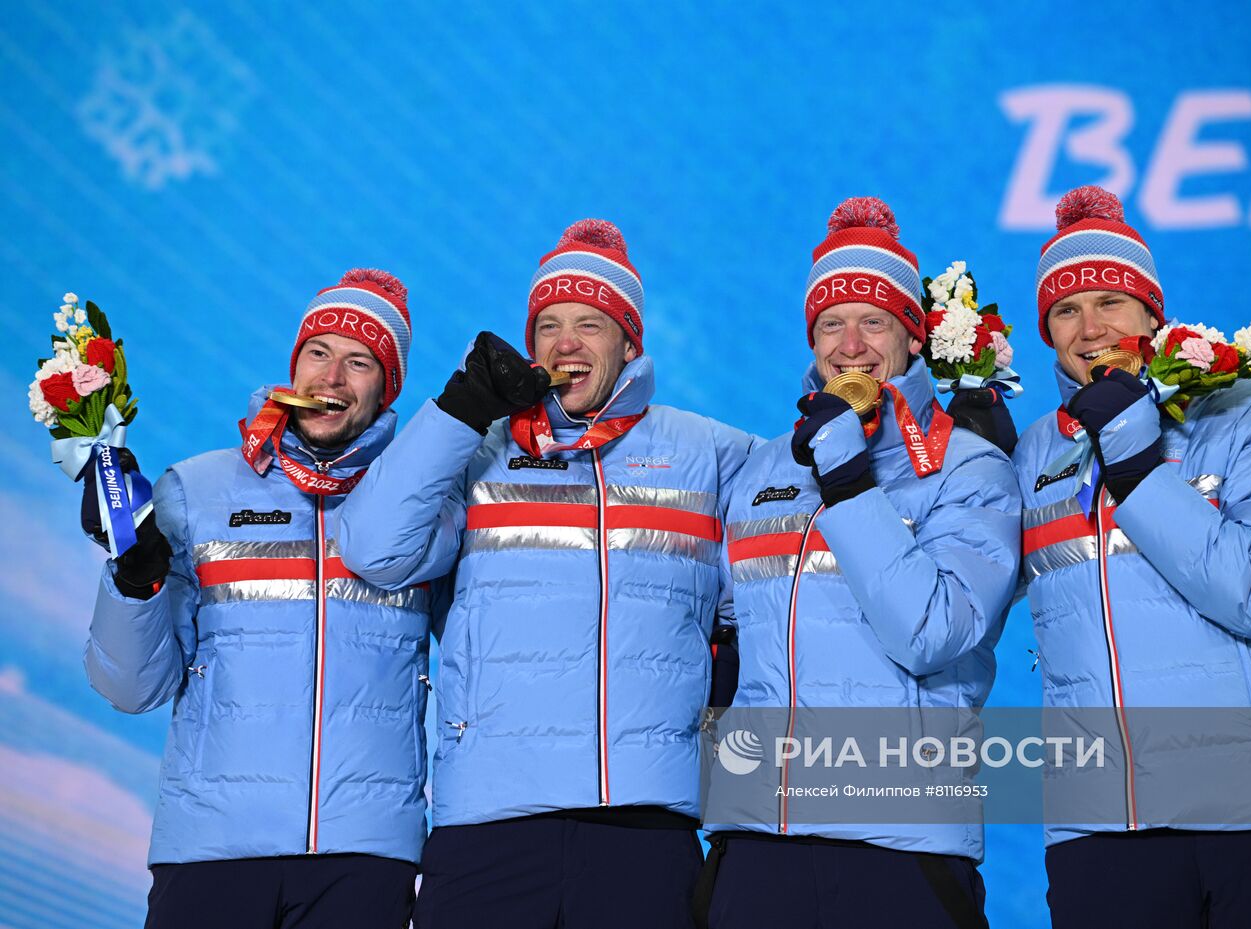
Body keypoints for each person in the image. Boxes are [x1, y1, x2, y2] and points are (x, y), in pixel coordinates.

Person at [337, 220, 757, 929]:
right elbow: (375, 548)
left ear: (630, 341)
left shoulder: (708, 453)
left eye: (590, 324)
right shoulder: (477, 450)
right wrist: (461, 409)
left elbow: (769, 596)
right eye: (549, 325)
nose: (566, 343)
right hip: (488, 821)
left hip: (644, 825)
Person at [1012, 186, 1251, 928]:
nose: (1090, 327)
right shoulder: (1034, 452)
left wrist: (1135, 466)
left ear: (1152, 314)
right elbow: (954, 606)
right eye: (1066, 310)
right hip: (1107, 827)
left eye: (1111, 302)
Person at [699, 197, 1020, 929]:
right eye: (829, 323)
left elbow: (932, 633)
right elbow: (726, 636)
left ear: (911, 336)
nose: (851, 344)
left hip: (899, 843)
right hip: (760, 840)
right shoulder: (764, 468)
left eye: (873, 321)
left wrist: (847, 479)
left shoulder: (969, 467)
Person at [84, 269, 437, 929]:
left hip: (363, 856)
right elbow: (132, 687)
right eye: (318, 354)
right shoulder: (197, 488)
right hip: (212, 848)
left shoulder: (421, 511)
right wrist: (133, 582)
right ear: (293, 365)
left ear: (387, 386)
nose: (331, 377)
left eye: (359, 361)